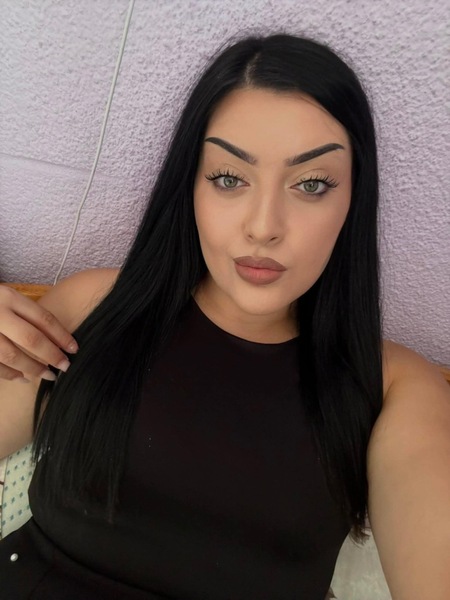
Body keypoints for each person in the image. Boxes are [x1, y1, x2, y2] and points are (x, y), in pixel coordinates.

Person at [0, 33, 449, 600]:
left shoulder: (394, 386)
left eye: (312, 184)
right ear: (190, 185)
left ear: (353, 199)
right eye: (229, 178)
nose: (263, 227)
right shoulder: (97, 306)